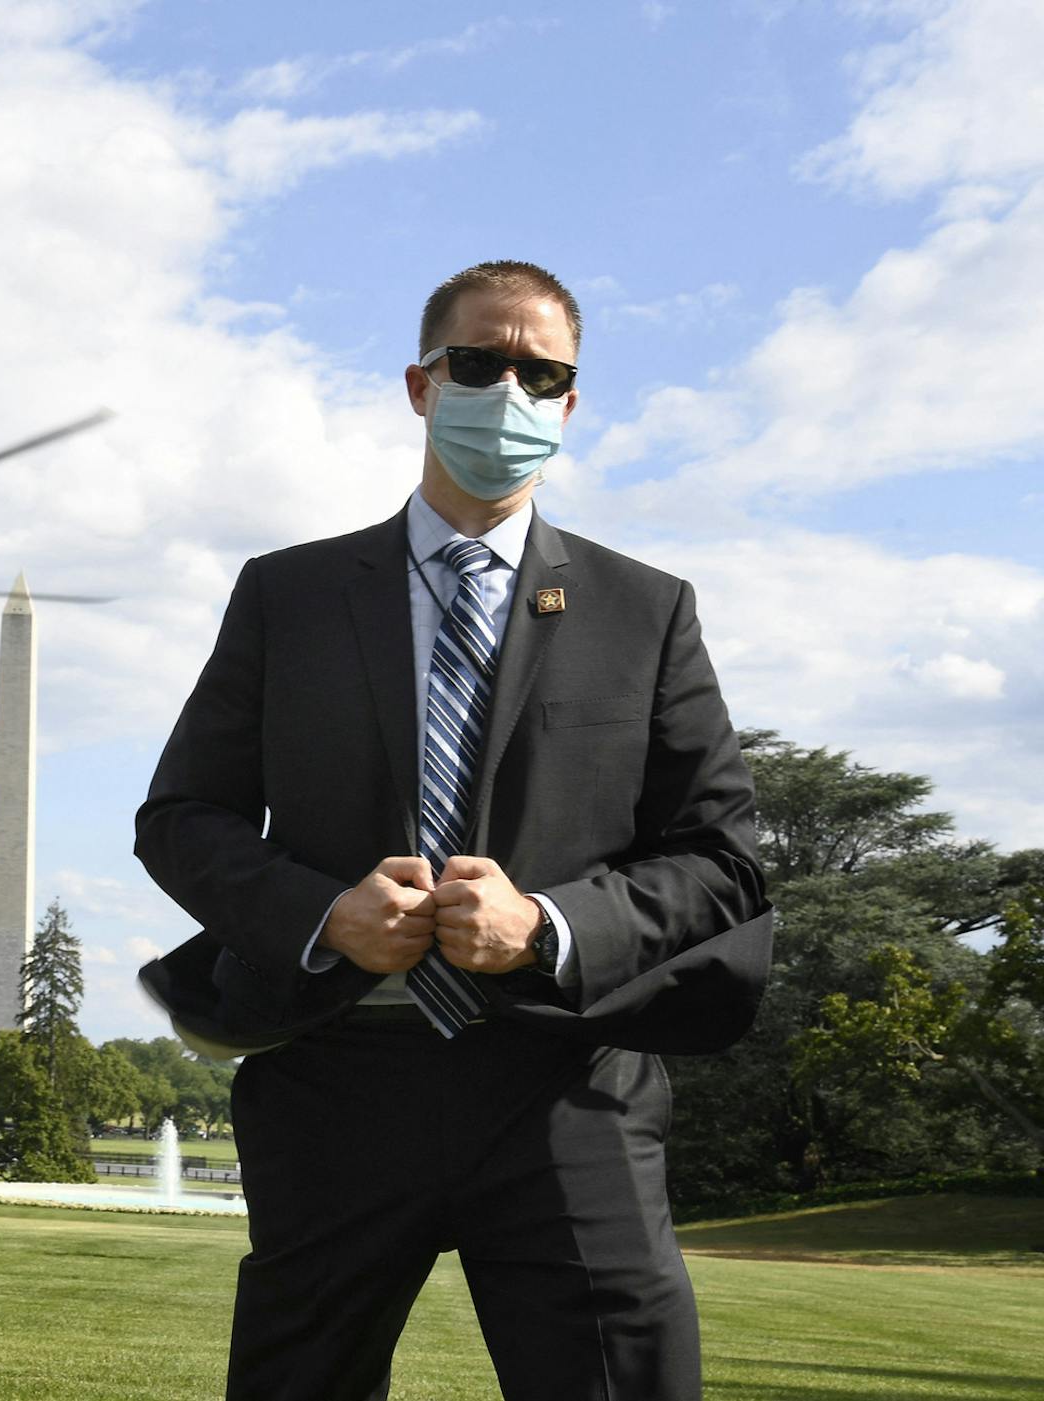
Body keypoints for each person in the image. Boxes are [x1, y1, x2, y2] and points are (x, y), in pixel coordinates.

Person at [133, 260, 772, 1401]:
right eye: (480, 363)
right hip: (336, 1075)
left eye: (543, 371)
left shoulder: (646, 609)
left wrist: (549, 925)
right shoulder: (288, 594)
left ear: (571, 406)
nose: (510, 389)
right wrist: (323, 914)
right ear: (422, 385)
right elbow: (182, 818)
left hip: (567, 1084)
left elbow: (724, 858)